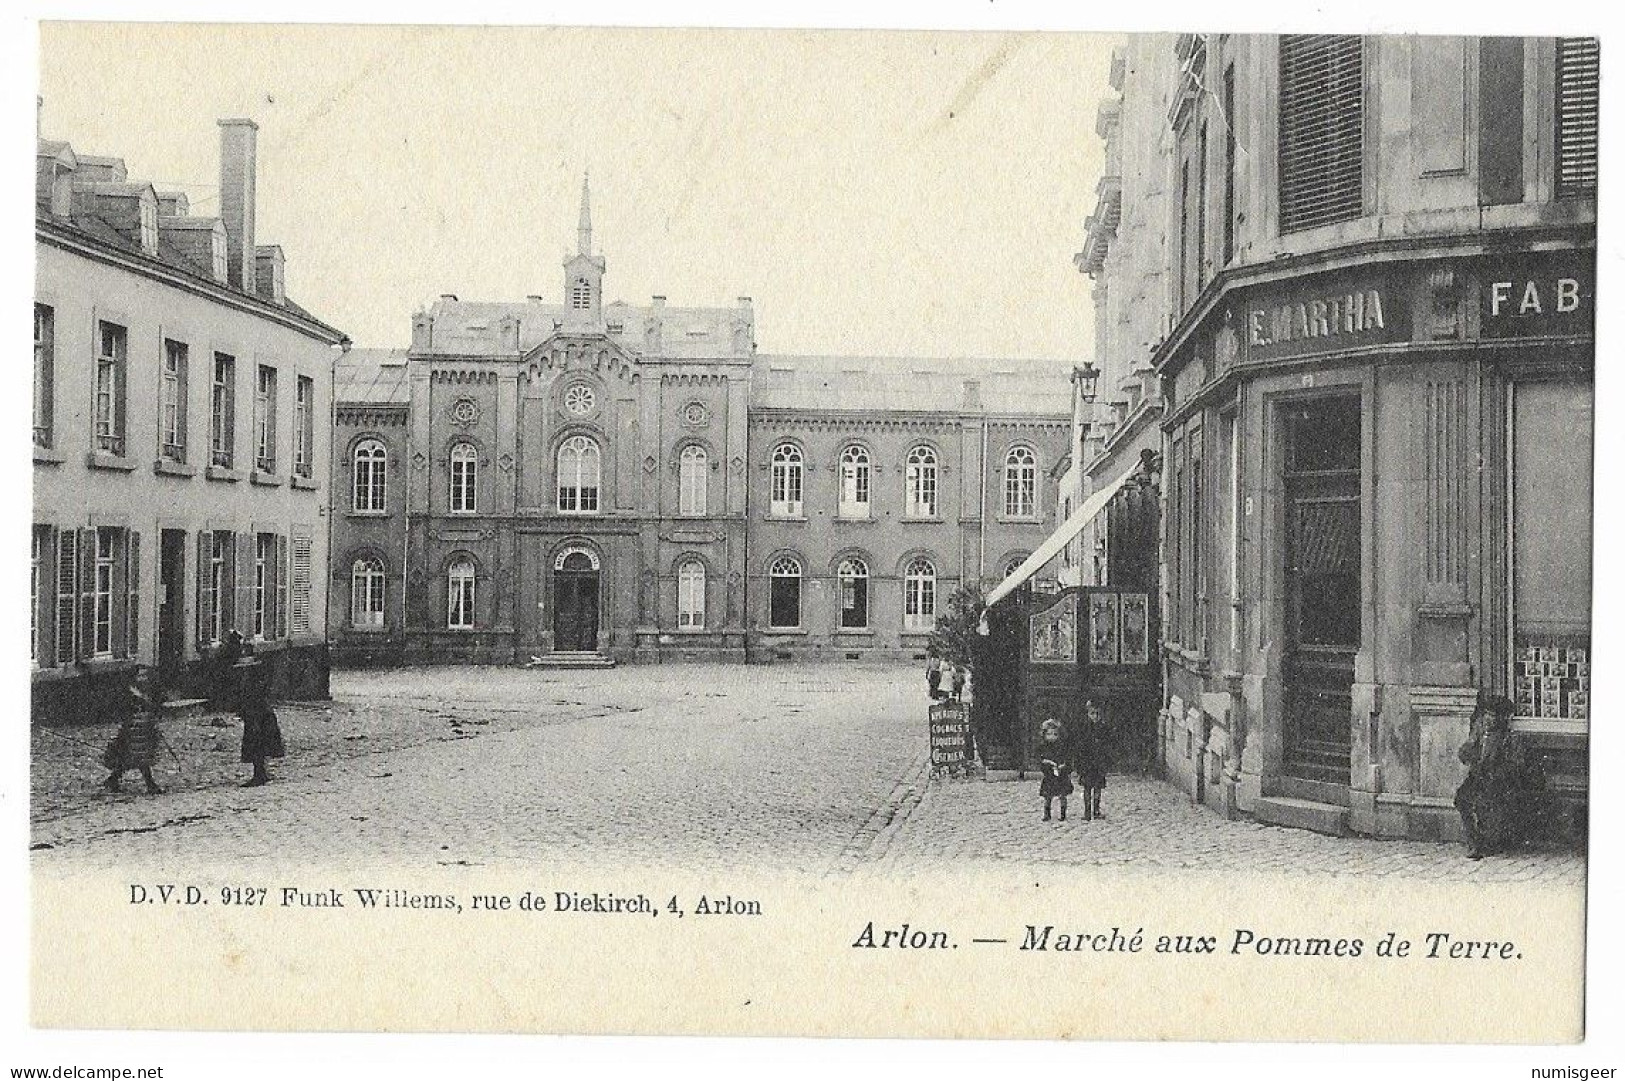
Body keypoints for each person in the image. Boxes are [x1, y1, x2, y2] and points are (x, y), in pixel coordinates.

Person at [1454, 693, 1536, 859]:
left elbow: (1515, 765)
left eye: (1493, 715)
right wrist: (1470, 747)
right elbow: (1465, 754)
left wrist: (1496, 772)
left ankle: (1485, 844)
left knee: (1486, 804)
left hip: (1500, 780)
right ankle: (1473, 841)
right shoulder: (1480, 732)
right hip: (1478, 777)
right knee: (1462, 800)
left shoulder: (1510, 738)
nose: (1489, 719)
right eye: (1487, 714)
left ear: (1502, 718)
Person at [102, 668, 165, 795]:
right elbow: (126, 711)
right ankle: (149, 783)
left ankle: (114, 779)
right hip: (132, 729)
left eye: (145, 675)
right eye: (140, 675)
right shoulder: (130, 692)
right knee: (137, 756)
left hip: (143, 728)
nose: (143, 678)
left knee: (134, 756)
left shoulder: (143, 691)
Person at [236, 661, 285, 787]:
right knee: (260, 746)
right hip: (260, 716)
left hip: (258, 718)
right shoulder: (257, 683)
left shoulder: (252, 685)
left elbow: (253, 703)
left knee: (257, 745)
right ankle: (261, 772)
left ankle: (259, 774)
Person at [1075, 699, 1109, 821]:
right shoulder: (1084, 729)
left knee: (1098, 788)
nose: (1095, 716)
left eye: (1097, 714)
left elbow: (1107, 746)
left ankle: (1096, 810)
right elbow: (1079, 747)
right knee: (1087, 788)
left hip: (1099, 763)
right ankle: (1087, 811)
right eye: (1092, 713)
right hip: (1087, 763)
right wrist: (1079, 764)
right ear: (1087, 714)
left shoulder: (1103, 728)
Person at [1037, 717, 1072, 822]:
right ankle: (1046, 813)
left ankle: (1063, 813)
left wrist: (1063, 766)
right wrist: (1047, 763)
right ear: (1044, 735)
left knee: (1062, 795)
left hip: (1061, 775)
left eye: (1055, 734)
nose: (1052, 737)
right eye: (1049, 734)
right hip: (1049, 776)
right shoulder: (1043, 747)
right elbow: (1041, 760)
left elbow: (1067, 760)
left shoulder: (1062, 747)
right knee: (1048, 796)